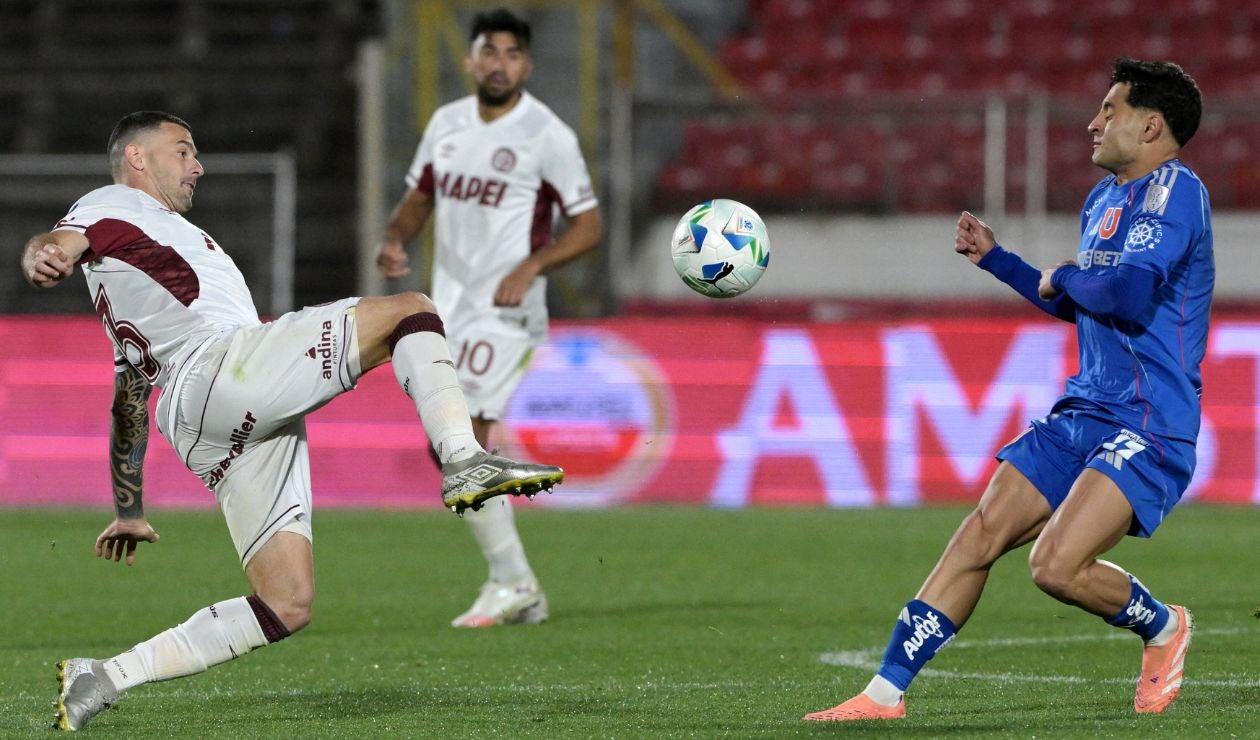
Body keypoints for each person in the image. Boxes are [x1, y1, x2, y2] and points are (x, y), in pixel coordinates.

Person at [23, 110, 567, 732]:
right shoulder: (113, 202)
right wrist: (45, 257)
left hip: (201, 418)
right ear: (138, 158)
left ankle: (106, 676)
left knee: (286, 603)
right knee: (410, 311)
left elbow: (128, 397)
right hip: (219, 370)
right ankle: (463, 458)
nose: (197, 165)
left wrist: (128, 506)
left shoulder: (140, 261)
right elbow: (57, 243)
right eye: (184, 150)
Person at [805, 58, 1211, 721]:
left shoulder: (1176, 193)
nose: (1093, 121)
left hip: (1148, 424)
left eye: (1108, 110)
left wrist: (1067, 276)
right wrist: (1003, 262)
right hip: (1084, 409)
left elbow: (1131, 297)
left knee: (1054, 567)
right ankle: (884, 695)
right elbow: (1083, 300)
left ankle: (1163, 626)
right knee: (979, 534)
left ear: (1150, 123)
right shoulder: (1103, 201)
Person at [376, 8, 602, 628]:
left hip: (506, 313)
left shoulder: (546, 134)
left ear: (526, 65)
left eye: (511, 54)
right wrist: (396, 237)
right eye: (488, 52)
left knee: (463, 441)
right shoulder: (447, 124)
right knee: (447, 446)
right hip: (448, 308)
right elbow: (420, 197)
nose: (498, 64)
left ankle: (512, 581)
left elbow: (589, 226)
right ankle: (516, 582)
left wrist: (533, 266)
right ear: (470, 60)